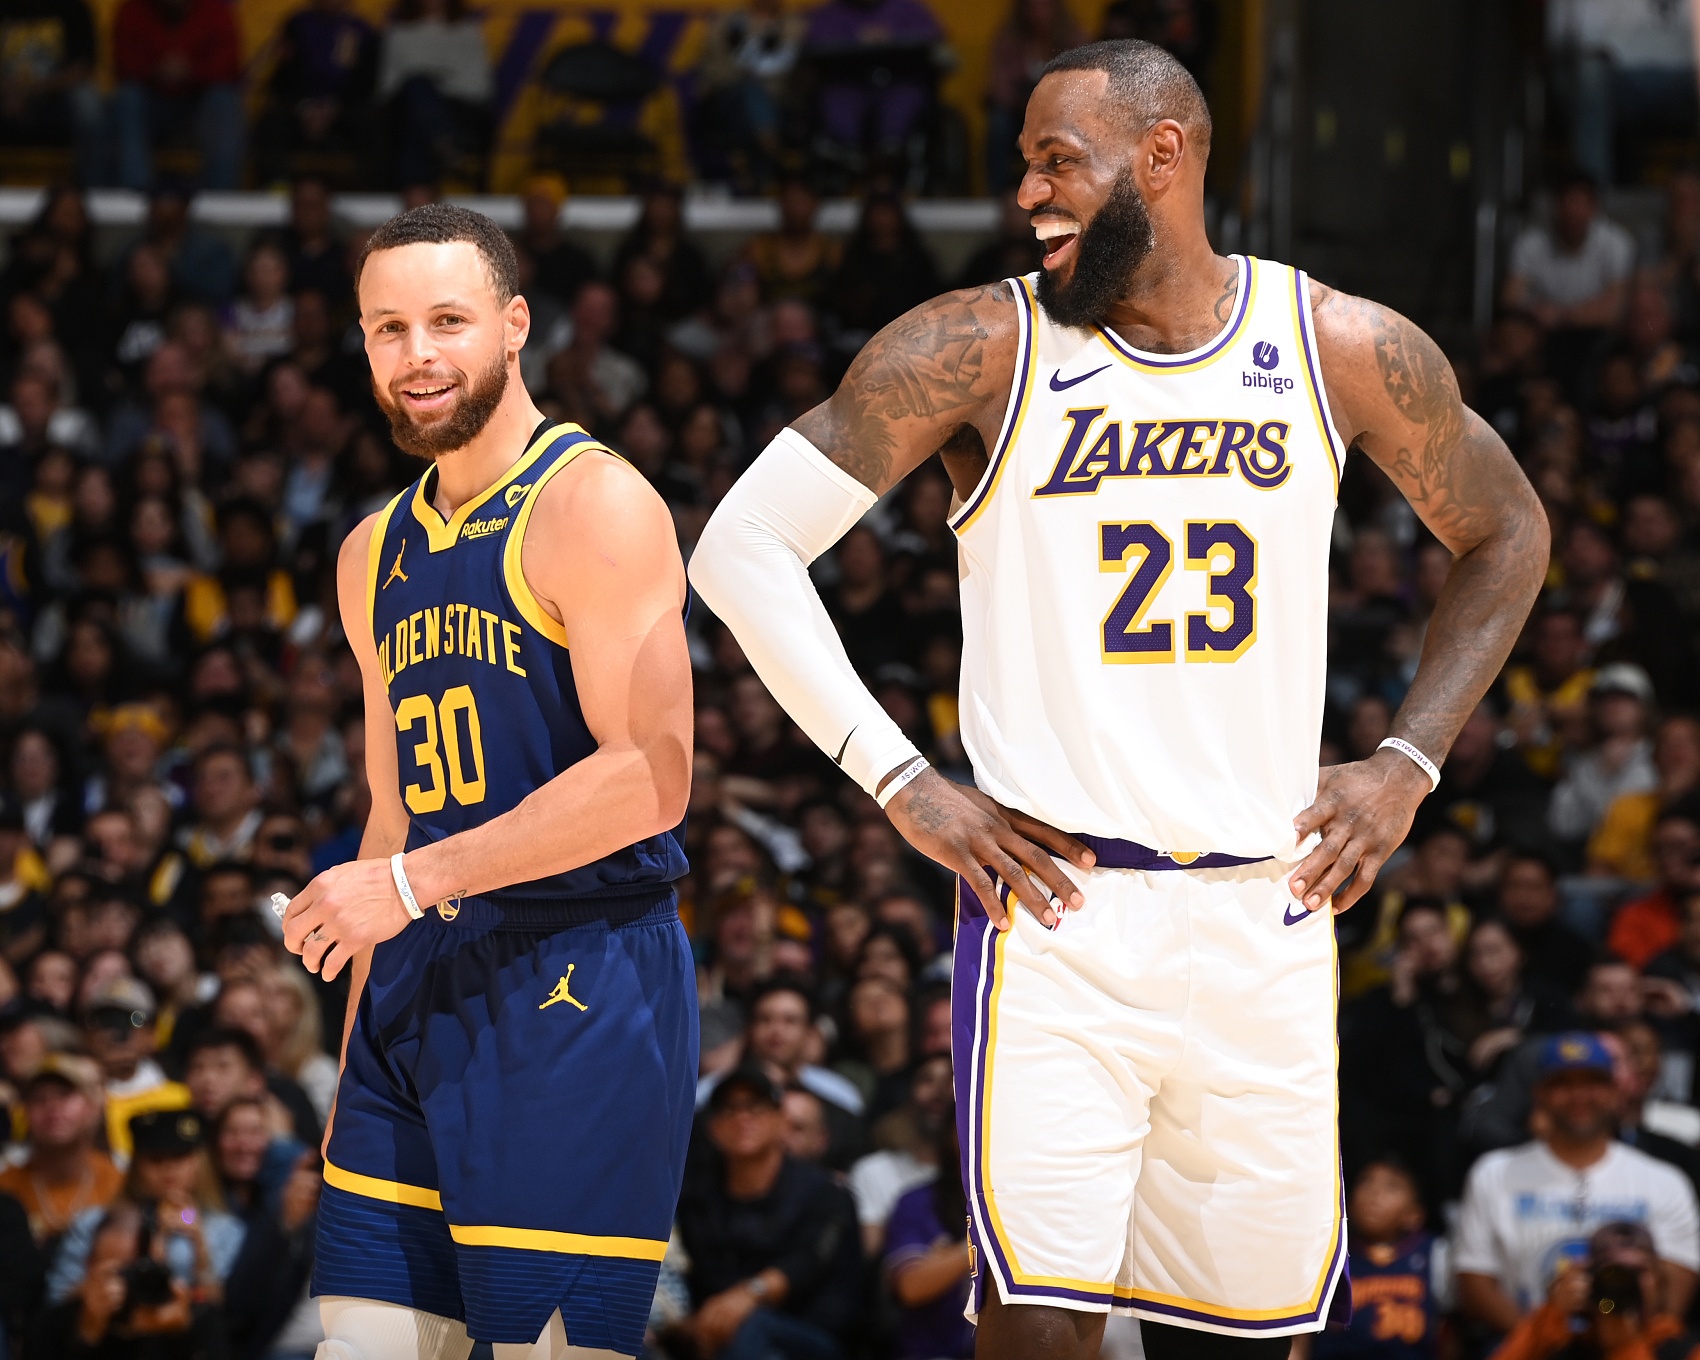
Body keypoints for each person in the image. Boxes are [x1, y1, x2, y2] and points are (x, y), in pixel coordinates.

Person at [691, 38, 1548, 1355]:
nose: (1027, 195)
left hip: (1264, 913)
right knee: (1038, 1331)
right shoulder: (978, 346)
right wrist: (900, 781)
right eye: (1023, 164)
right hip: (1060, 921)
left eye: (1057, 162)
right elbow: (738, 548)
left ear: (1163, 156)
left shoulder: (1335, 345)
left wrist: (1408, 762)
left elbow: (1508, 529)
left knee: (1242, 1341)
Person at [277, 203, 695, 1358]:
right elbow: (391, 813)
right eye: (387, 328)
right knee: (361, 1345)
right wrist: (358, 1041)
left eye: (447, 321)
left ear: (514, 325)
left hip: (575, 971)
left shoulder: (594, 503)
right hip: (412, 984)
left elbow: (652, 776)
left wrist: (411, 883)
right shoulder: (371, 550)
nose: (417, 355)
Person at [1454, 1034, 1700, 1338]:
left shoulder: (1664, 1181)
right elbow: (1474, 1283)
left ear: (1614, 1091)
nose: (1579, 1095)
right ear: (1539, 1093)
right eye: (1563, 1084)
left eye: (1593, 1083)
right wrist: (1546, 1336)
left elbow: (1673, 1294)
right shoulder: (1493, 1173)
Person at [672, 1065, 862, 1360]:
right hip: (716, 1336)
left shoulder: (825, 1194)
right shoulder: (696, 1196)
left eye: (756, 1107)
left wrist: (748, 1295)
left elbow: (807, 1261)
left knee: (750, 1326)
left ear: (781, 1121)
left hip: (812, 1337)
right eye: (729, 1109)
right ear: (713, 1128)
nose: (742, 1117)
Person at [1487, 1220, 1700, 1360]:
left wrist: (1625, 1347)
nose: (1625, 1282)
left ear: (1660, 1280)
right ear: (1589, 1279)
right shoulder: (1561, 1345)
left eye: (1638, 1271)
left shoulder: (1684, 1350)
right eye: (1613, 1271)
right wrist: (1551, 1314)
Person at [1312, 1160, 1441, 1359]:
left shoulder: (1434, 1255)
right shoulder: (1327, 1252)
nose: (1374, 1194)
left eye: (1392, 1187)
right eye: (1366, 1182)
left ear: (1414, 1215)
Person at [109, 0, 244, 190]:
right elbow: (123, 64)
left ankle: (218, 196)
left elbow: (228, 67)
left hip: (198, 104)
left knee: (225, 101)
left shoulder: (215, 11)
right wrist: (156, 70)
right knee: (128, 98)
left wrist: (191, 71)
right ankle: (136, 193)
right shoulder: (133, 10)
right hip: (151, 102)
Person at [0, 1054, 122, 1247]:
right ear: (25, 1113)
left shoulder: (119, 1184)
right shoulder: (6, 1187)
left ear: (93, 1107)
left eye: (65, 1095)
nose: (52, 1107)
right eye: (39, 1099)